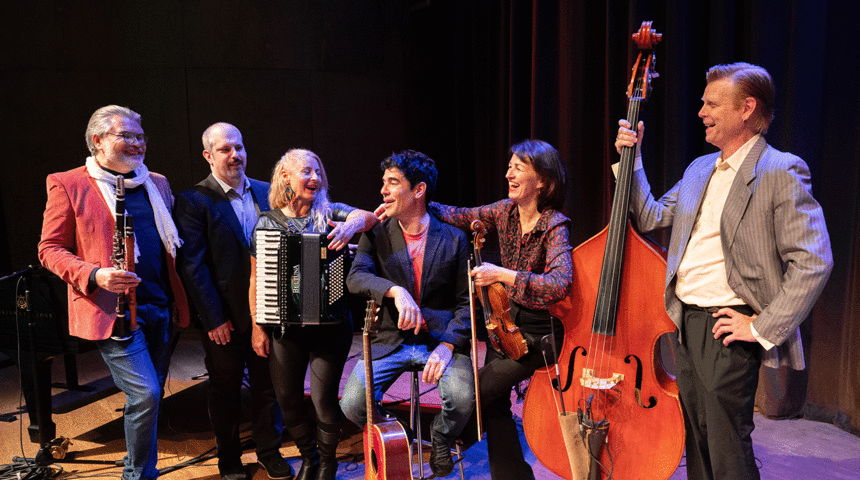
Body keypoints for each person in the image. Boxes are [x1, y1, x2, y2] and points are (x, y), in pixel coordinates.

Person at [614, 62, 833, 480]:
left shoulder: (780, 170)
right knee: (698, 439)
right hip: (685, 321)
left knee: (727, 447)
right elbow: (650, 215)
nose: (701, 112)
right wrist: (632, 159)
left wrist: (761, 327)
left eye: (712, 104)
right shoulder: (700, 168)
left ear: (747, 108)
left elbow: (814, 260)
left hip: (726, 327)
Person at [38, 105, 190, 480]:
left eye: (140, 136)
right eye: (126, 135)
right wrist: (95, 274)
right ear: (98, 140)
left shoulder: (157, 182)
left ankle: (139, 465)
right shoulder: (68, 183)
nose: (137, 143)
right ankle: (138, 475)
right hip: (112, 310)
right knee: (146, 394)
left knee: (149, 397)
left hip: (159, 306)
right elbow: (49, 249)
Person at [426, 139, 572, 480]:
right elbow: (457, 215)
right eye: (509, 167)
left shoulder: (555, 225)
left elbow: (559, 283)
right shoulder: (504, 211)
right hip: (503, 323)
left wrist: (503, 275)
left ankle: (443, 436)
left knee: (482, 388)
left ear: (542, 181)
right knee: (494, 405)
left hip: (539, 333)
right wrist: (415, 199)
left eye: (518, 168)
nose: (508, 174)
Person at [340, 150, 474, 478]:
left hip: (439, 340)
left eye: (392, 182)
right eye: (383, 182)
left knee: (461, 398)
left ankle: (440, 436)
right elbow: (356, 277)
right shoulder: (377, 233)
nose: (383, 190)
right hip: (390, 340)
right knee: (352, 404)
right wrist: (395, 291)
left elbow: (466, 304)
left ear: (418, 190)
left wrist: (448, 346)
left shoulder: (454, 239)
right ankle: (397, 435)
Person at [248, 149, 378, 480]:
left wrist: (350, 227)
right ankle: (309, 456)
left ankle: (328, 462)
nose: (315, 178)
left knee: (323, 399)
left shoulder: (330, 213)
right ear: (285, 176)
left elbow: (369, 217)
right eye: (307, 171)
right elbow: (255, 279)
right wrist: (257, 327)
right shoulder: (267, 223)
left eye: (318, 171)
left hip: (330, 327)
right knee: (287, 400)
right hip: (285, 329)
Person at [173, 123, 290, 480]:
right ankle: (229, 458)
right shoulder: (194, 200)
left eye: (238, 147)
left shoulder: (269, 191)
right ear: (208, 156)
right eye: (225, 149)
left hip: (269, 312)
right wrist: (213, 318)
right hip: (224, 317)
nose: (235, 155)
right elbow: (193, 266)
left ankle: (269, 451)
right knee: (225, 390)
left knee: (268, 388)